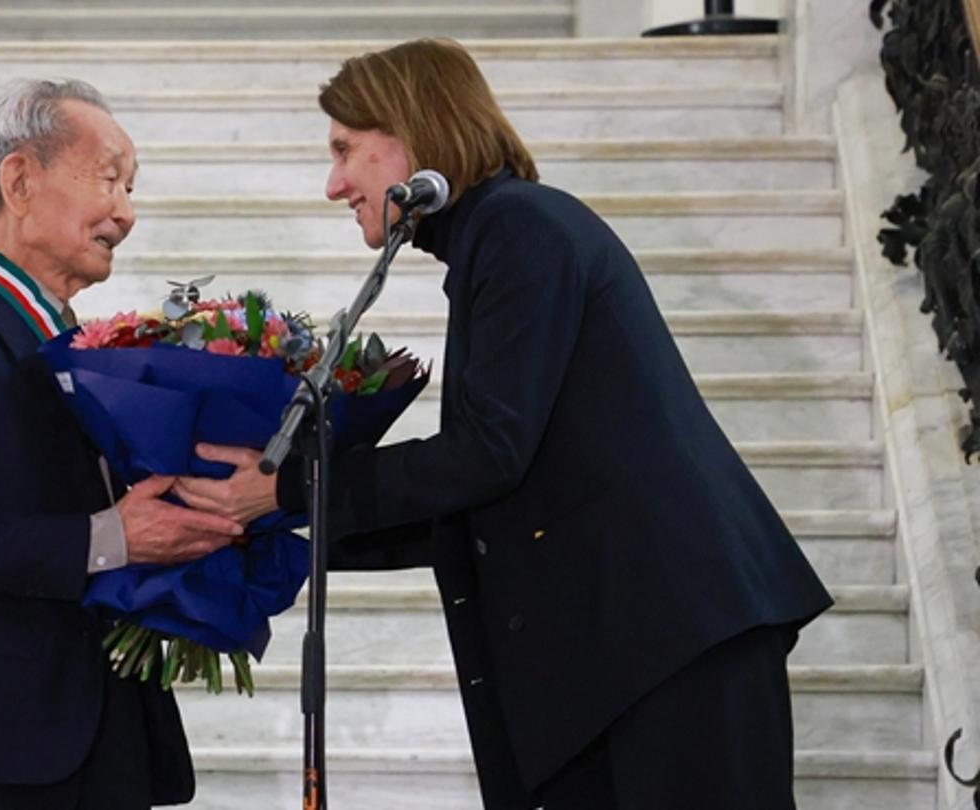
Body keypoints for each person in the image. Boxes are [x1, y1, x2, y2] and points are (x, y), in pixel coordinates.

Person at [172, 39, 835, 809]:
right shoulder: (503, 235)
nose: (333, 185)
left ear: (412, 129)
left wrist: (290, 489)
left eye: (345, 150)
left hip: (669, 639)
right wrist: (263, 524)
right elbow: (483, 503)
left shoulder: (519, 228)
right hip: (630, 648)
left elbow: (487, 455)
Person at [0, 78, 244, 810]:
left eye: (131, 188)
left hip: (107, 733)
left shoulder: (89, 347)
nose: (126, 212)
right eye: (108, 179)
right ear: (19, 181)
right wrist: (116, 537)